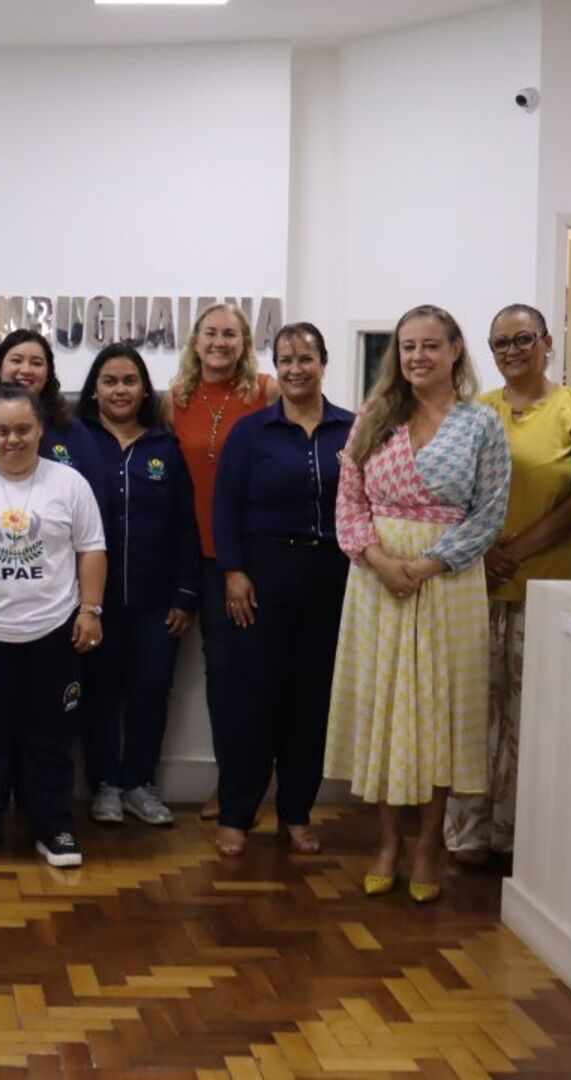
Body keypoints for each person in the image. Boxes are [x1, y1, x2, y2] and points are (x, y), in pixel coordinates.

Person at [326, 304, 510, 904]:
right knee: (386, 707)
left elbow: (489, 512)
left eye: (431, 345)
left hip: (448, 581)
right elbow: (349, 501)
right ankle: (387, 842)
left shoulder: (481, 425)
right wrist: (381, 562)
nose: (417, 357)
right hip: (377, 580)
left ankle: (430, 842)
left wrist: (429, 565)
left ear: (456, 350)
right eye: (407, 346)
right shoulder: (374, 417)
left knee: (438, 712)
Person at [437, 305, 571, 864]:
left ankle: (525, 837)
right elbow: (451, 496)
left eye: (523, 339)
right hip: (473, 588)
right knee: (475, 714)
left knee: (535, 719)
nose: (512, 351)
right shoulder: (473, 414)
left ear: (547, 342)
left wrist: (515, 551)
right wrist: (478, 556)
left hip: (549, 587)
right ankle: (472, 833)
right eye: (500, 343)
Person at [0, 385, 108, 868]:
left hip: (53, 632)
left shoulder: (69, 484)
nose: (13, 439)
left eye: (23, 429)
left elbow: (91, 549)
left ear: (40, 430)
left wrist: (90, 610)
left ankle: (53, 826)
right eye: (2, 430)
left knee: (51, 737)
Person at [213, 323, 356, 857]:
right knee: (254, 700)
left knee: (310, 701)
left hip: (331, 577)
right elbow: (225, 507)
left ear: (324, 361)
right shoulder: (252, 433)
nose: (296, 369)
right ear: (275, 365)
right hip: (263, 575)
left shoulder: (353, 429)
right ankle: (236, 813)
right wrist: (233, 571)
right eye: (286, 359)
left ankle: (296, 813)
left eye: (306, 358)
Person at [74, 344, 199, 828]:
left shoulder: (165, 449)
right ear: (95, 389)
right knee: (100, 693)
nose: (120, 390)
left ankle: (139, 784)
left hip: (156, 603)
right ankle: (104, 784)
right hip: (92, 602)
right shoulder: (75, 442)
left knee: (150, 689)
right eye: (110, 381)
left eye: (129, 381)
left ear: (144, 389)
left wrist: (186, 594)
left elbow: (186, 526)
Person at [165, 302, 279, 820]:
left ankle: (245, 788)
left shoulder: (266, 391)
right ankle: (233, 782)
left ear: (245, 341)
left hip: (251, 556)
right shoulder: (175, 399)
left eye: (230, 334)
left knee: (252, 674)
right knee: (222, 675)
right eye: (210, 333)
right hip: (199, 556)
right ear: (195, 341)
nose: (219, 342)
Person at [0, 329, 104, 497]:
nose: (26, 370)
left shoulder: (70, 429)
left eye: (36, 363)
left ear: (48, 375)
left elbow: (95, 497)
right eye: (16, 361)